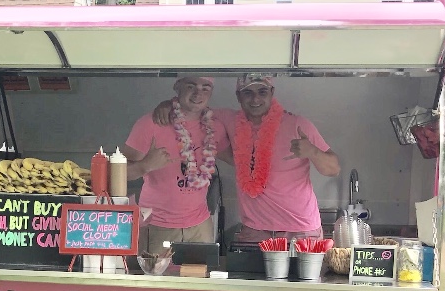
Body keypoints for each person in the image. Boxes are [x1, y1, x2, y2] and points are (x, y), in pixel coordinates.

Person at [154, 74, 340, 245]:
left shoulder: (298, 124)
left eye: (262, 92)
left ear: (272, 93)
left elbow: (334, 169)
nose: (255, 99)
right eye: (248, 93)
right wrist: (170, 104)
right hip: (254, 232)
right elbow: (194, 109)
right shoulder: (229, 120)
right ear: (238, 96)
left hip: (301, 231)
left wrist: (313, 152)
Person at [121, 76, 229, 250]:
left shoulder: (215, 127)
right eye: (191, 86)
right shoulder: (152, 123)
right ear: (177, 86)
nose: (197, 94)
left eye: (205, 87)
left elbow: (238, 159)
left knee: (198, 277)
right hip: (156, 225)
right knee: (154, 277)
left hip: (200, 226)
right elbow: (115, 172)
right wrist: (145, 165)